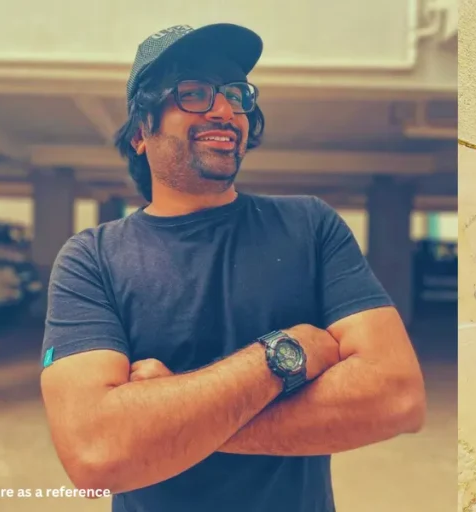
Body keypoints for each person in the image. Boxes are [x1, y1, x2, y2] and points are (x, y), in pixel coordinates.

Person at [38, 24, 426, 512]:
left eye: (236, 94)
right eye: (193, 93)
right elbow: (95, 453)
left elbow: (396, 398)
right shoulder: (92, 258)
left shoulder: (310, 226)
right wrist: (288, 353)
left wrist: (169, 422)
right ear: (140, 133)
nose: (224, 110)